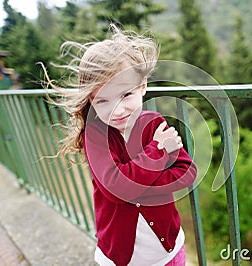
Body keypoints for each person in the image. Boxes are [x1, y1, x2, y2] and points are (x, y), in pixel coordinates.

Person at [44, 25, 197, 266]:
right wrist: (157, 151)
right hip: (123, 258)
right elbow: (116, 188)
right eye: (103, 101)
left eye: (126, 95)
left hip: (168, 248)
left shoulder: (154, 124)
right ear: (91, 101)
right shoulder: (95, 136)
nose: (117, 110)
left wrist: (135, 183)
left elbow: (187, 172)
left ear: (142, 86)